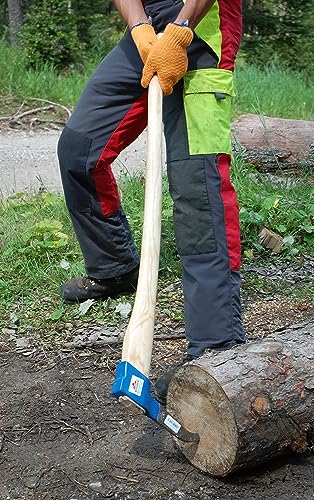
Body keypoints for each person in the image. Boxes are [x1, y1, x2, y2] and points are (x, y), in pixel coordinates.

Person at [57, 0, 245, 403]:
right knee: (79, 150)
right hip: (147, 27)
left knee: (198, 185)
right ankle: (114, 266)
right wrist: (140, 26)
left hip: (202, 22)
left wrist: (180, 29)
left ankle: (216, 347)